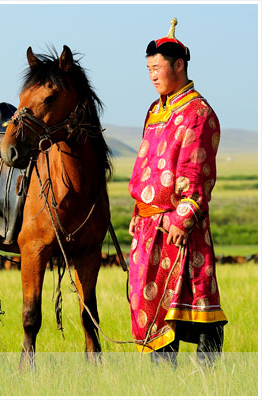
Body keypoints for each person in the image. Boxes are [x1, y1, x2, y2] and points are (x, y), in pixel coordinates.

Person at [127, 18, 227, 367]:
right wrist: (138, 212)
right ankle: (163, 384)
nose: (152, 75)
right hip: (148, 227)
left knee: (194, 301)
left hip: (179, 227)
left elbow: (195, 172)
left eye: (157, 67)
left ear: (179, 65)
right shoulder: (156, 110)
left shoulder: (198, 113)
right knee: (148, 305)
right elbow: (146, 165)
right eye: (148, 69)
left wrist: (183, 219)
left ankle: (209, 381)